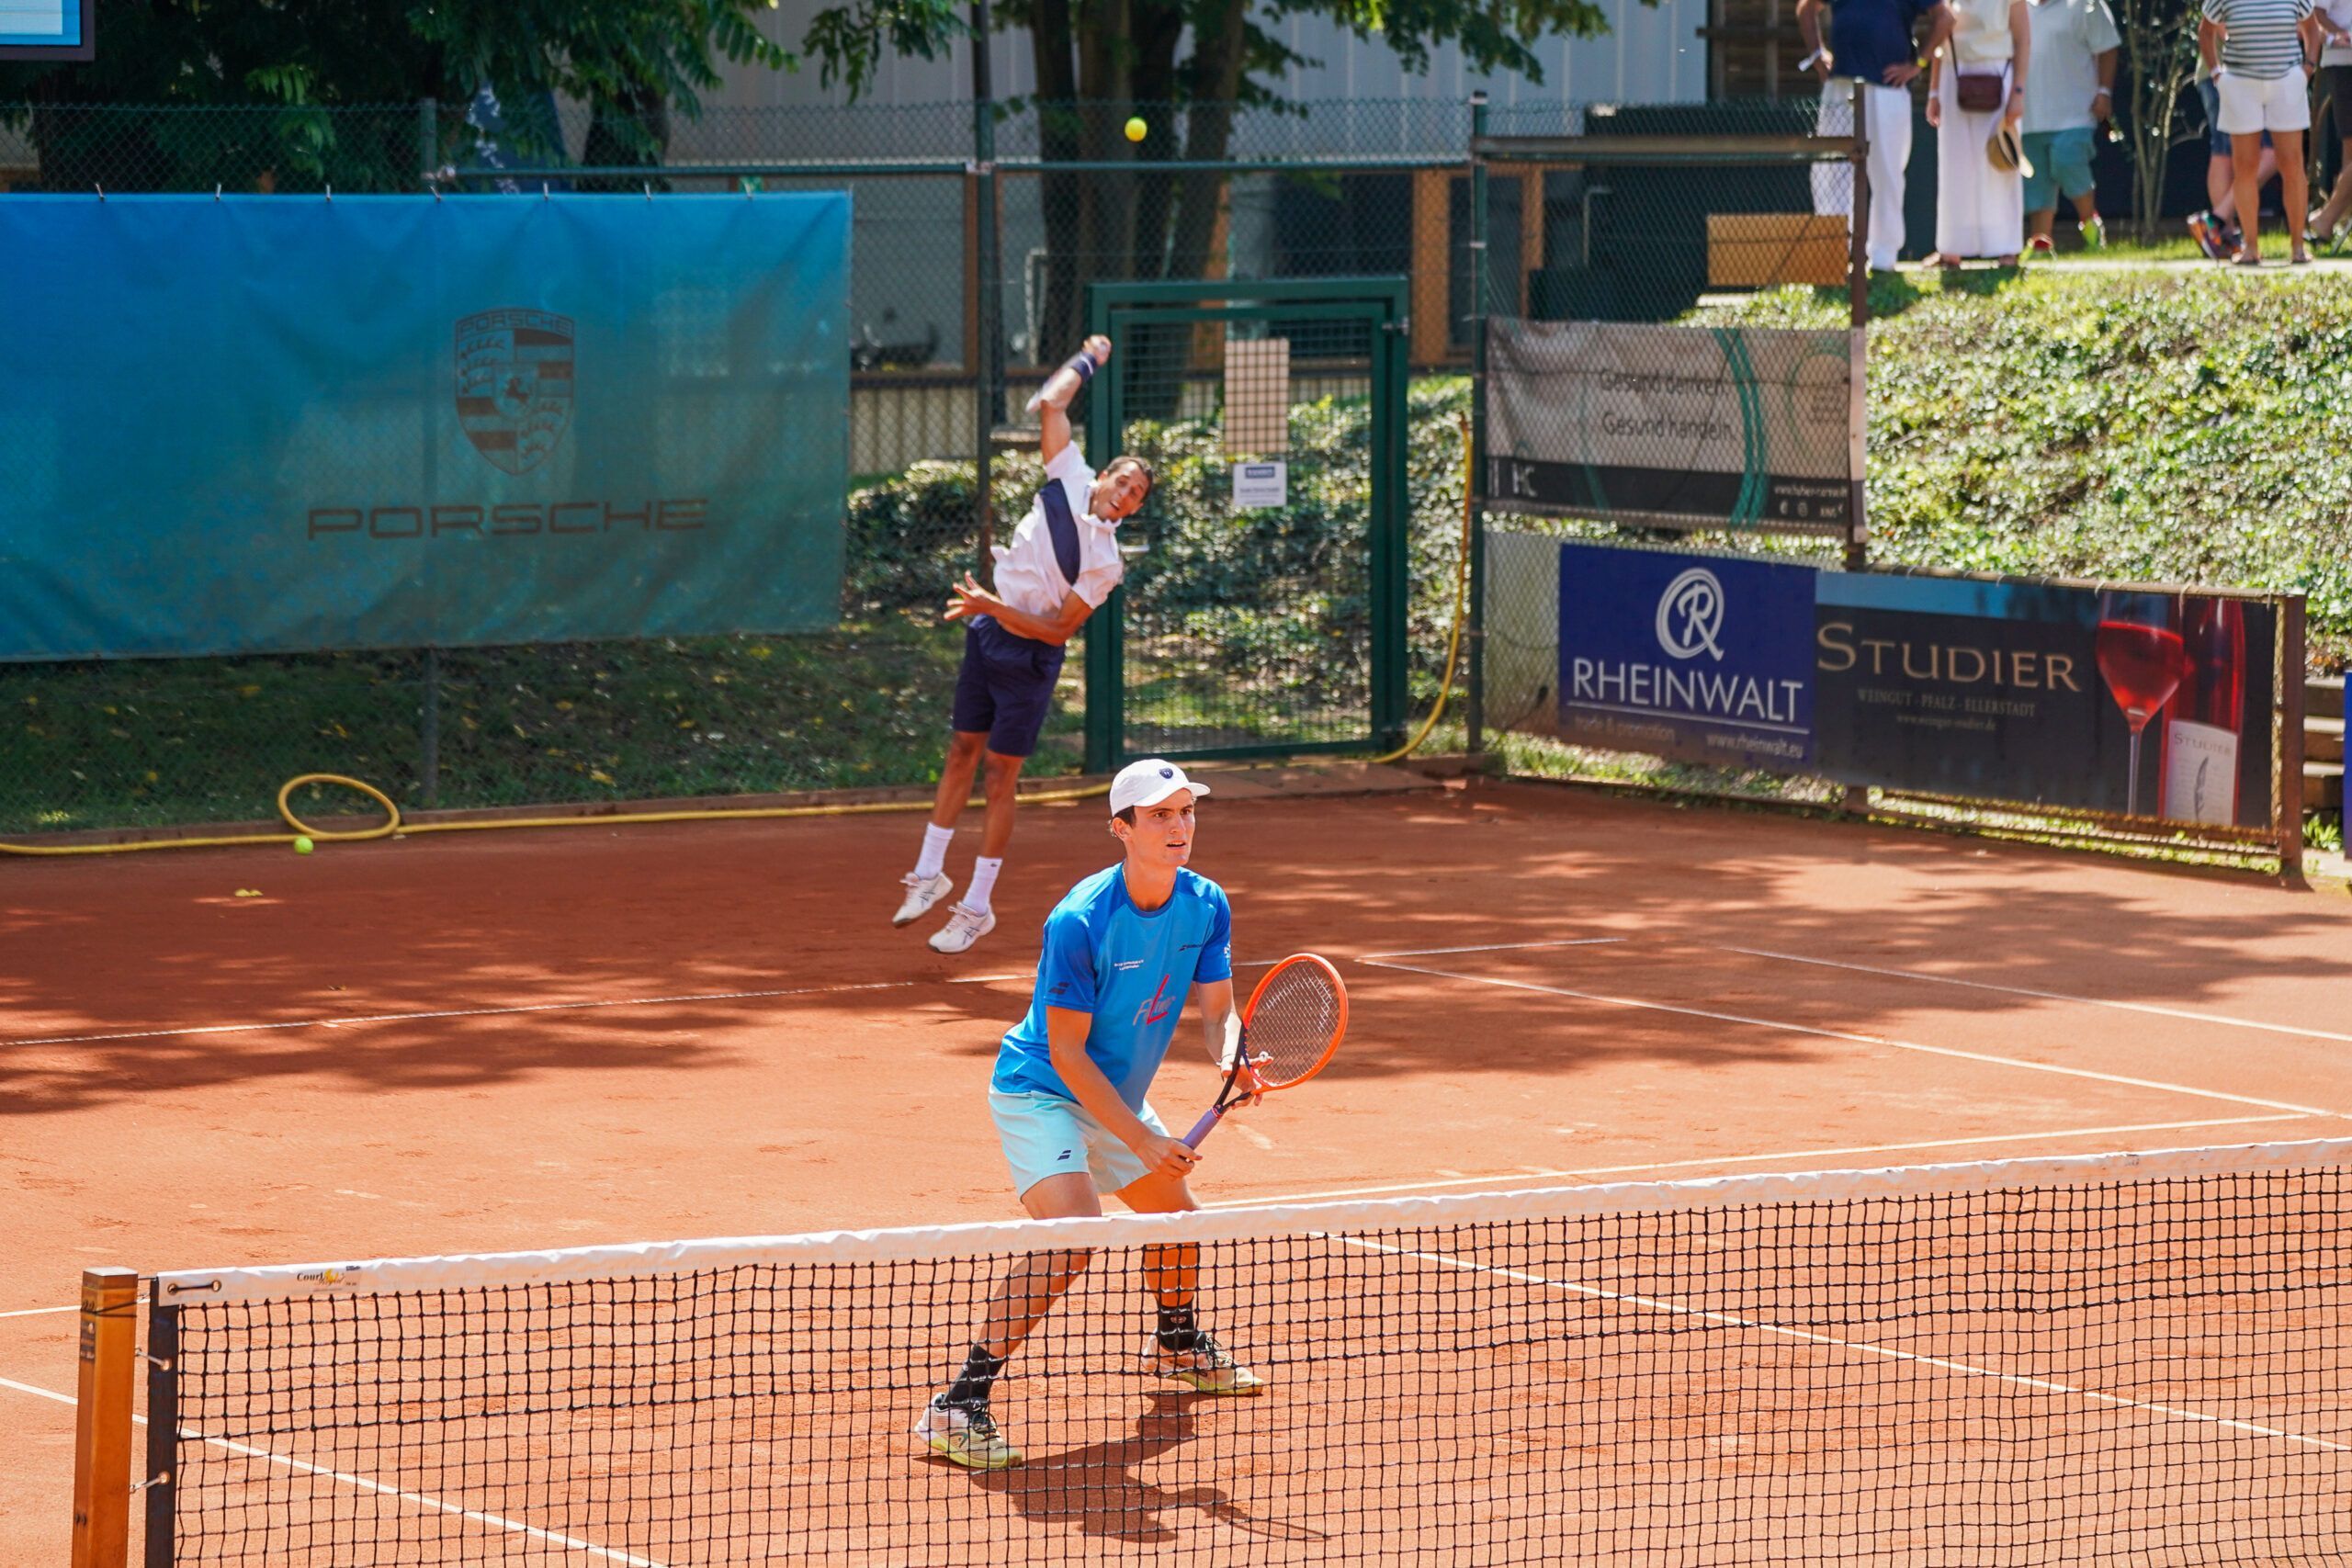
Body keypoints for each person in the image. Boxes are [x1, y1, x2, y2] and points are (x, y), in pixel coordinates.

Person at [913, 758, 1262, 1471]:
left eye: (1186, 811)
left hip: (1115, 1097)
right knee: (1073, 1235)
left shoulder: (1206, 902)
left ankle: (1176, 1342)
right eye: (1159, 815)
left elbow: (1219, 1011)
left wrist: (1233, 1057)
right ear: (1121, 829)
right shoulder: (1079, 919)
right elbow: (1068, 1053)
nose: (1179, 826)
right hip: (1041, 1087)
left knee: (1180, 1222)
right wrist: (1142, 1137)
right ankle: (959, 1403)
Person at [892, 336, 1156, 954]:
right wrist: (1088, 359)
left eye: (1138, 494)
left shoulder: (1106, 563)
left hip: (1030, 659)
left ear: (1136, 507)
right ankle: (929, 874)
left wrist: (992, 606)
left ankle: (976, 907)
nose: (1126, 494)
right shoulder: (1068, 471)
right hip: (986, 636)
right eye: (1125, 480)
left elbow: (1058, 630)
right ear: (1107, 472)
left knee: (999, 774)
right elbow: (1050, 403)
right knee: (960, 750)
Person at [1801, 0, 1960, 272]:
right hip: (1841, 86)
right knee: (1830, 169)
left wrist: (1918, 63)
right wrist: (1817, 53)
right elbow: (1806, 8)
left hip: (1888, 89)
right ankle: (1832, 254)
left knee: (1887, 172)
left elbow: (1945, 18)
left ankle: (1883, 259)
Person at [2201, 0, 2327, 264]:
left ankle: (2297, 246)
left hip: (2286, 83)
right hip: (2240, 84)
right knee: (2244, 166)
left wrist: (2307, 69)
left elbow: (2312, 29)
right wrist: (2216, 74)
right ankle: (2251, 248)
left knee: (2292, 163)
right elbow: (2206, 30)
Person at [1926, 0, 2031, 266]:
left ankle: (2007, 248)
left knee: (1999, 162)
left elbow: (2023, 39)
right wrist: (1934, 92)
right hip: (1955, 75)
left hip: (1997, 72)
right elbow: (1942, 40)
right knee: (1955, 164)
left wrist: (2018, 91)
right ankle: (1951, 249)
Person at [2020, 0, 2120, 254]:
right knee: (2037, 183)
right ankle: (2041, 245)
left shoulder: (2086, 4)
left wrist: (2104, 92)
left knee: (2068, 160)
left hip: (2075, 113)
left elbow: (2108, 47)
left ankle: (2091, 226)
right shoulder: (2015, 7)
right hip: (2029, 116)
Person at [2186, 54, 2281, 259]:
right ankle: (2215, 222)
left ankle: (2221, 234)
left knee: (2224, 152)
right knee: (2269, 154)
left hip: (2233, 76)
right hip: (2228, 76)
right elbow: (2219, 29)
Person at [2301, 0, 2352, 243]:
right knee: (2350, 147)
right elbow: (2315, 15)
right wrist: (2340, 35)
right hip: (2343, 64)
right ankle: (2332, 219)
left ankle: (2330, 219)